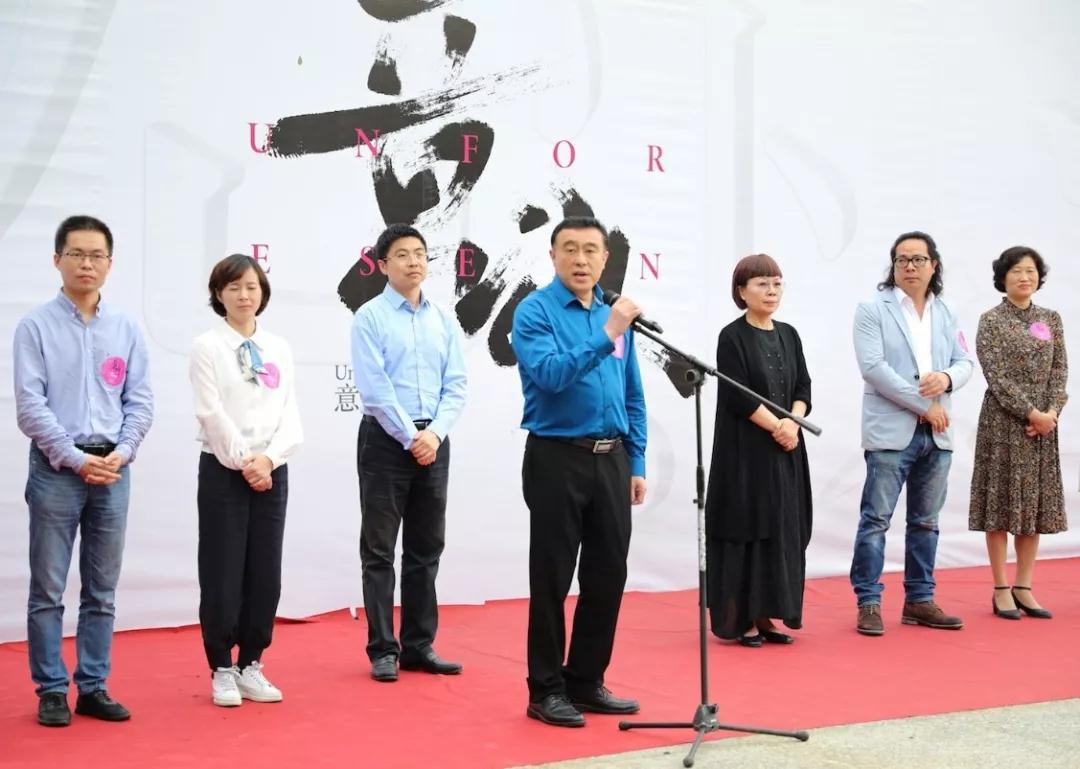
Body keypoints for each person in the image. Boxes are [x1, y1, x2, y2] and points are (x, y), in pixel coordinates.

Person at [14, 215, 154, 726]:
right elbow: (30, 408)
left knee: (102, 589)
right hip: (57, 467)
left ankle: (93, 686)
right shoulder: (35, 327)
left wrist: (124, 450)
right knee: (48, 589)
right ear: (58, 260)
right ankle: (51, 689)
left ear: (110, 264)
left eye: (97, 255)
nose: (87, 264)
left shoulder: (126, 328)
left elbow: (139, 401)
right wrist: (75, 459)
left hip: (113, 468)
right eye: (77, 254)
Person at [511, 216, 647, 728]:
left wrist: (636, 460)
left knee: (607, 575)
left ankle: (585, 680)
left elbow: (632, 393)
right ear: (553, 256)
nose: (581, 259)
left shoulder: (614, 314)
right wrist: (608, 333)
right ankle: (545, 690)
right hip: (556, 456)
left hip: (612, 458)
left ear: (605, 259)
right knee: (552, 577)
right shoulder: (535, 311)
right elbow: (550, 376)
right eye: (570, 249)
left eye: (591, 250)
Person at [351, 223, 467, 682]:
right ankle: (383, 649)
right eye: (402, 254)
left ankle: (419, 646)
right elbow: (375, 390)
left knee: (426, 547)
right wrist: (410, 437)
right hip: (385, 441)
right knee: (379, 549)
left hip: (433, 441)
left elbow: (456, 385)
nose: (414, 261)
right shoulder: (370, 317)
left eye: (419, 253)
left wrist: (433, 435)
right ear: (383, 265)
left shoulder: (443, 319)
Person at [189, 254, 302, 707]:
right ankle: (221, 666)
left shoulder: (279, 347)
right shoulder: (207, 346)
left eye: (252, 287)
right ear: (219, 294)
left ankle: (251, 662)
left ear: (263, 293)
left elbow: (290, 414)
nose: (243, 295)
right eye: (233, 287)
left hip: (272, 471)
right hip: (223, 470)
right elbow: (210, 412)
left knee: (265, 571)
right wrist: (245, 462)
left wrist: (269, 460)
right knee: (222, 570)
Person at [850, 231, 973, 636]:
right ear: (893, 266)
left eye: (918, 259)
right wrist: (925, 406)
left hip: (937, 435)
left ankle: (920, 600)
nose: (910, 266)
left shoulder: (946, 311)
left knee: (926, 523)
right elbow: (874, 369)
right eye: (902, 259)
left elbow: (965, 362)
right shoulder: (873, 309)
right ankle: (868, 602)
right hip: (891, 432)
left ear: (933, 265)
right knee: (876, 520)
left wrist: (947, 379)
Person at [705, 255, 812, 647]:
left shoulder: (790, 334)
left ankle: (768, 615)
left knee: (781, 529)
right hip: (745, 455)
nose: (771, 291)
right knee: (747, 529)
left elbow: (803, 387)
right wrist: (778, 426)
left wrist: (792, 424)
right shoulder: (731, 337)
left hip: (786, 450)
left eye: (777, 283)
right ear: (741, 291)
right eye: (762, 284)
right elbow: (738, 396)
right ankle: (744, 619)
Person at [969, 246, 1067, 620]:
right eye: (1016, 271)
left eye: (1030, 270)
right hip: (1003, 422)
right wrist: (1031, 413)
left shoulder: (1051, 319)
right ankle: (1000, 588)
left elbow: (1060, 371)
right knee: (999, 504)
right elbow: (995, 376)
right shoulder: (991, 320)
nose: (1025, 277)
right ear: (1002, 278)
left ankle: (1024, 586)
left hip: (1042, 427)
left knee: (1033, 506)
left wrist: (1051, 413)